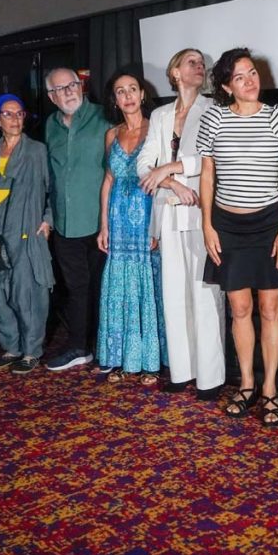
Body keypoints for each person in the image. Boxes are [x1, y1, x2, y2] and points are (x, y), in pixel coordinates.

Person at [196, 48, 278, 427]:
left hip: (270, 223)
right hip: (228, 226)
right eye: (239, 77)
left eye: (252, 72)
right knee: (239, 309)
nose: (249, 81)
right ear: (227, 86)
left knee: (270, 308)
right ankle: (247, 384)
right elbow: (208, 176)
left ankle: (270, 389)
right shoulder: (214, 120)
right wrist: (207, 225)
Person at [137, 48, 225, 400]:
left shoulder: (214, 109)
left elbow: (212, 158)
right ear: (175, 72)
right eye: (191, 62)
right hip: (168, 210)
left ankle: (211, 377)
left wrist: (170, 168)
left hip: (202, 211)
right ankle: (182, 370)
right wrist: (171, 182)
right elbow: (144, 164)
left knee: (205, 294)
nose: (199, 67)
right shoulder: (159, 115)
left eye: (202, 63)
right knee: (174, 294)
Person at [0, 95, 54, 375]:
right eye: (7, 114)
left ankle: (31, 351)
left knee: (26, 293)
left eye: (19, 113)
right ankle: (11, 347)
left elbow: (52, 189)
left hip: (25, 231)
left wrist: (47, 220)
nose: (15, 119)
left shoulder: (37, 151)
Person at [96, 71, 167, 383]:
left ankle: (150, 362)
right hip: (118, 221)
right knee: (120, 290)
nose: (127, 96)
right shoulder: (111, 134)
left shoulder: (157, 129)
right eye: (120, 91)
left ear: (142, 94)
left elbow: (163, 180)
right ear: (115, 99)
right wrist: (103, 226)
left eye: (132, 89)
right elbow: (108, 180)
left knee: (147, 288)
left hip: (146, 218)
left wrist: (157, 227)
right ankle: (122, 358)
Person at [43, 68, 111, 372]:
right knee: (75, 288)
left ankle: (106, 348)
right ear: (51, 97)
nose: (69, 91)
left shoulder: (104, 116)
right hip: (65, 224)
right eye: (60, 88)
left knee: (102, 287)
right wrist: (49, 216)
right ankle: (79, 347)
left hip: (100, 222)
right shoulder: (50, 125)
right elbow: (51, 175)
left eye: (72, 84)